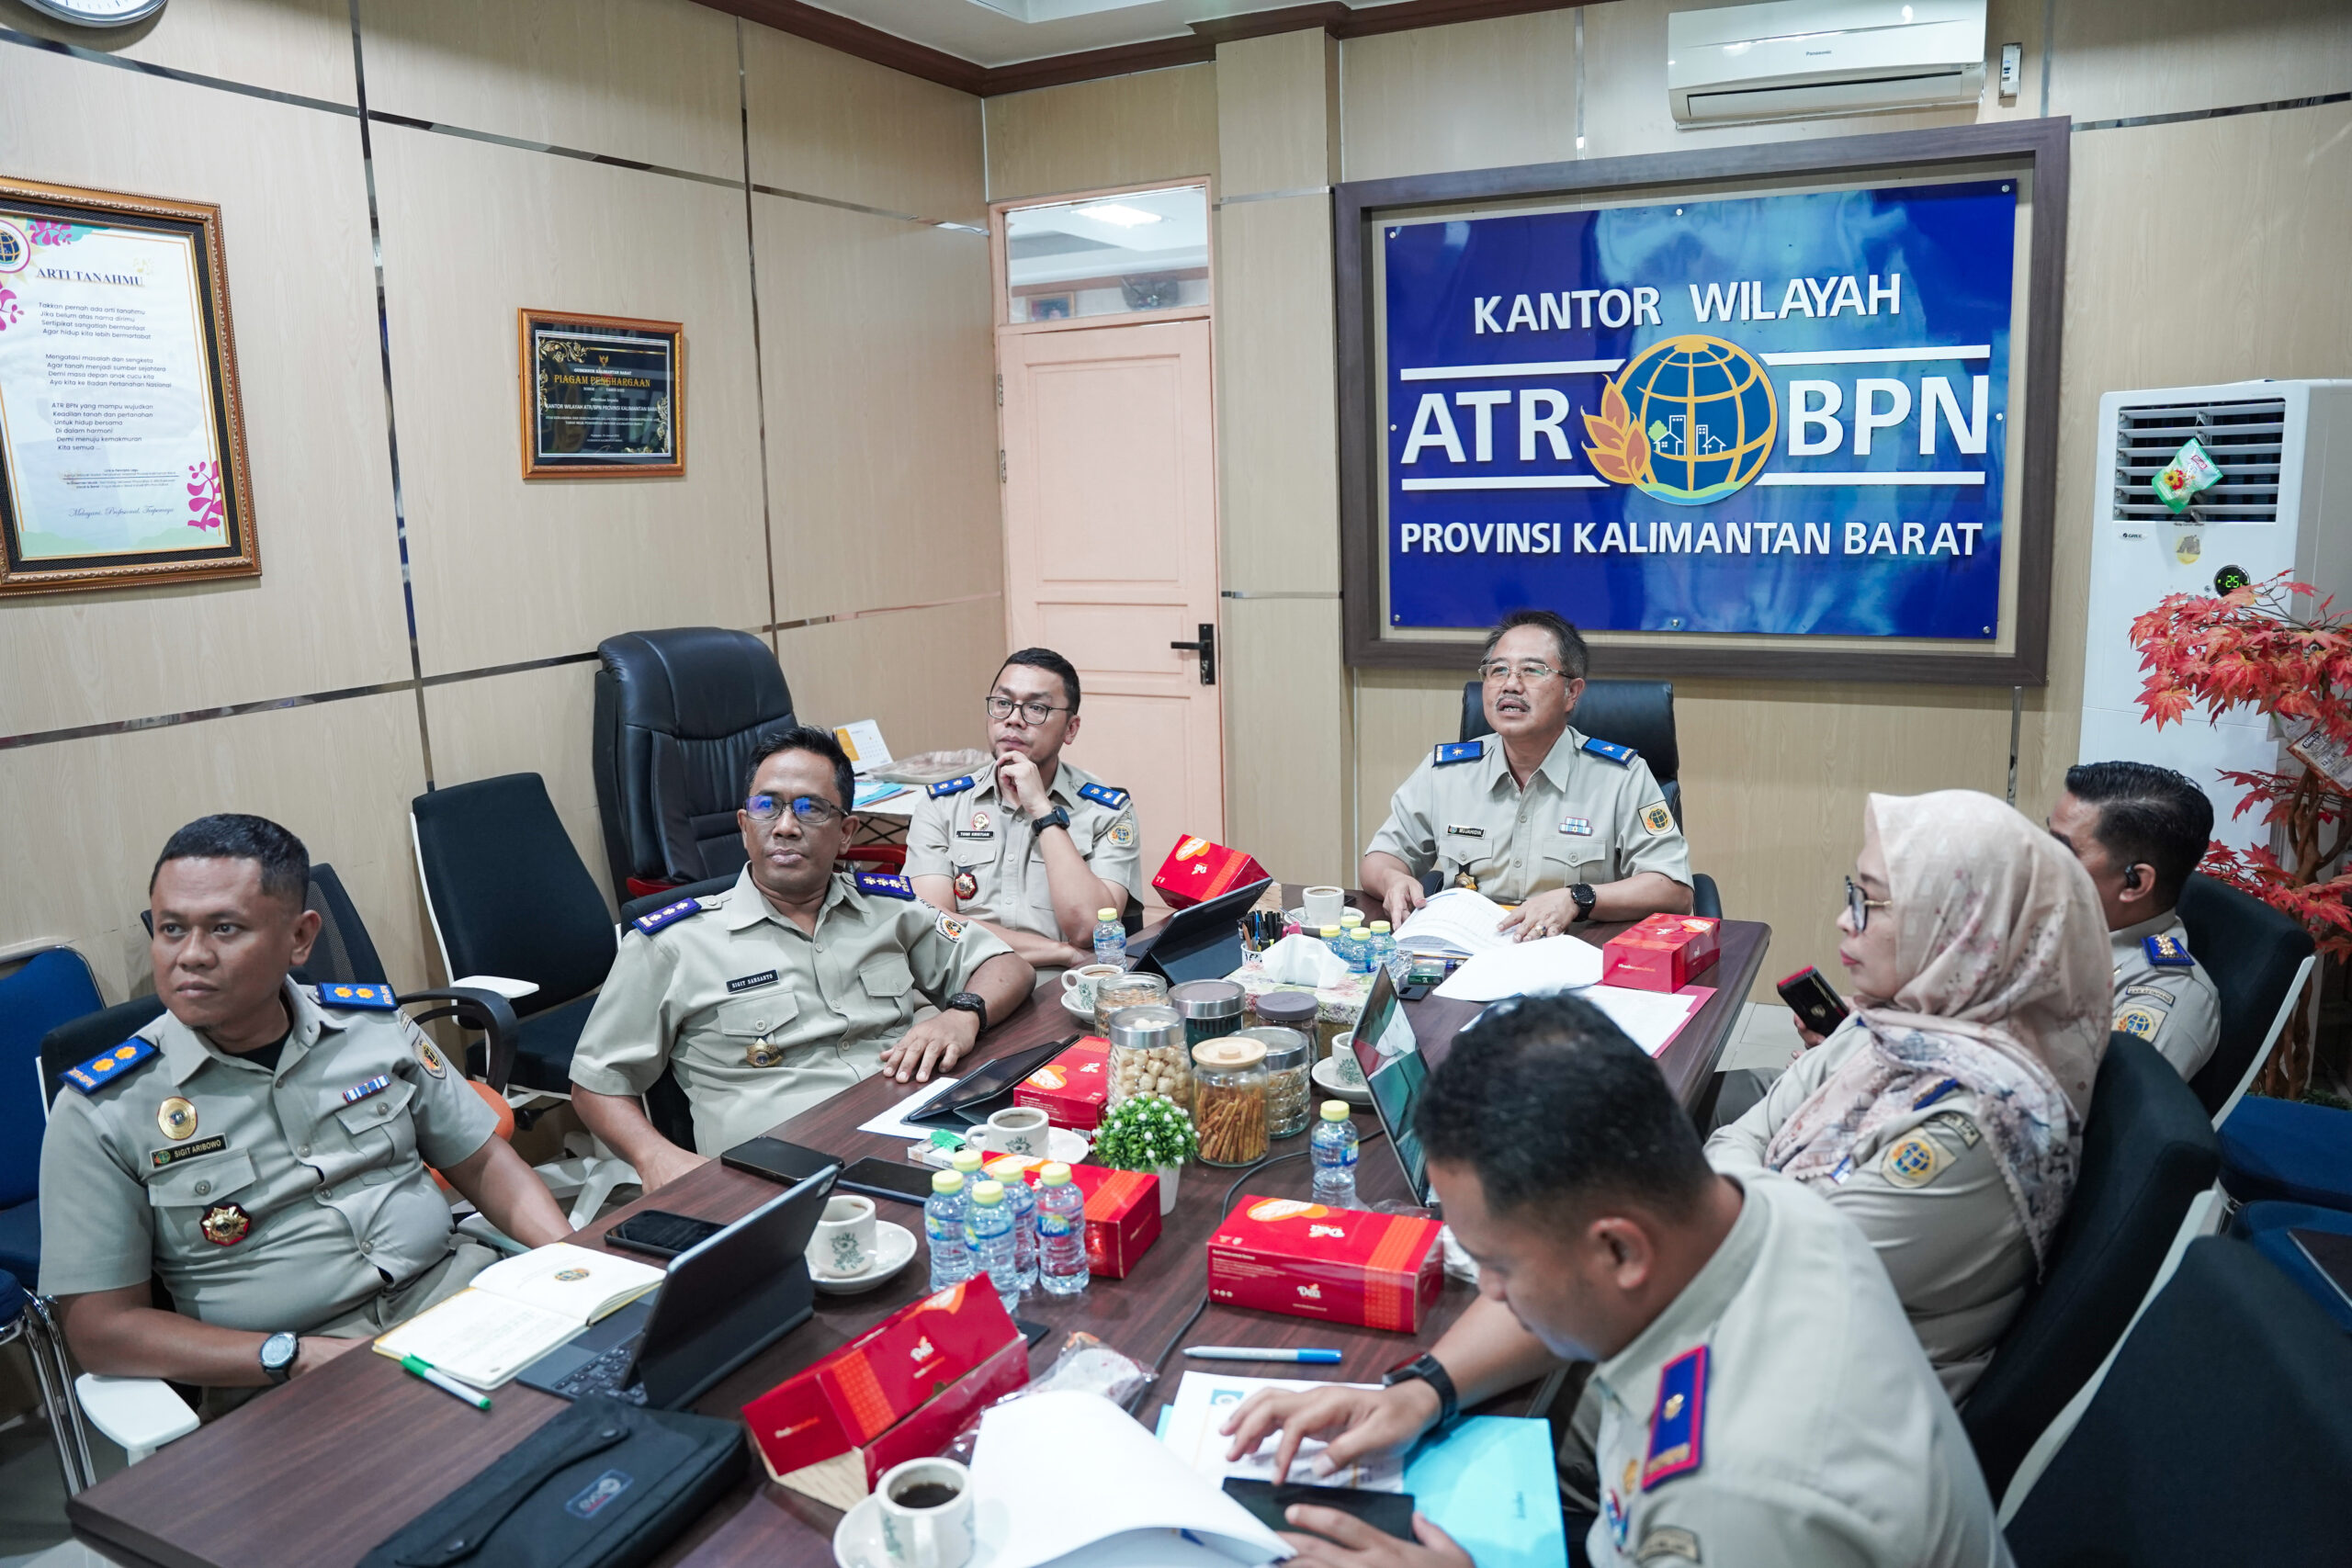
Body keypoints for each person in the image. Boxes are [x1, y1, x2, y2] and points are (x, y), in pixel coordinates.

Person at [1220, 995, 2009, 1568]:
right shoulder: (1760, 1207)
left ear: (1621, 1252)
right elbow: (1560, 1289)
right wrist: (1419, 1388)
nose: (1491, 1293)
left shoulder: (1735, 1496)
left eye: (1499, 1265)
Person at [39, 815, 571, 1397]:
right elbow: (100, 1330)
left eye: (223, 928)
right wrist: (288, 1356)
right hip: (290, 1376)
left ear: (299, 937)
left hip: (458, 1308)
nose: (190, 956)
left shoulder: (373, 1026)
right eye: (171, 929)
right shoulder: (103, 1110)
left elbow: (484, 1164)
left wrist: (576, 1266)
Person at [1710, 789, 2109, 1399]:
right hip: (1753, 1335)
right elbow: (1739, 1135)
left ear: (1963, 926)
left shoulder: (1983, 1122)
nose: (1846, 919)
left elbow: (1778, 1263)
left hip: (1817, 1404)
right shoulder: (1896, 1024)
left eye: (1871, 903)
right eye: (1856, 893)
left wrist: (1722, 1189)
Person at [570, 726, 1034, 1190]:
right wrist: (655, 1158)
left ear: (846, 832)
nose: (786, 826)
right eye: (766, 806)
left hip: (911, 1134)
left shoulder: (889, 910)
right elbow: (596, 1083)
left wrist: (961, 1016)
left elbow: (1007, 966)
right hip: (776, 1172)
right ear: (743, 825)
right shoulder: (674, 943)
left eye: (811, 809)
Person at [1362, 609, 1690, 942]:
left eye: (1532, 671)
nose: (1511, 684)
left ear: (1572, 692)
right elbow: (1379, 859)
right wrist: (1392, 879)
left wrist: (1577, 898)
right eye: (1498, 670)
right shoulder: (1446, 773)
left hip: (1572, 957)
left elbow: (1673, 889)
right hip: (1467, 954)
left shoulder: (1621, 777)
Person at [905, 648, 1144, 975]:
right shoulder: (942, 805)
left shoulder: (1105, 811)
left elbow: (1090, 929)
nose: (1013, 719)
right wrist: (1059, 951)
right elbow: (932, 922)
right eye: (1003, 703)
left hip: (1061, 990)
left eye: (1036, 708)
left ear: (1070, 729)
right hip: (964, 978)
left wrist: (1042, 811)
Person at [2046, 761, 2222, 1080]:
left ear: (2134, 883)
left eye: (2061, 850)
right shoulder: (2059, 924)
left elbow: (2093, 1119)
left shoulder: (2163, 995)